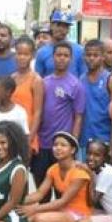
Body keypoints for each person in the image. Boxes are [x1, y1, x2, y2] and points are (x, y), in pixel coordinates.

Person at [20, 132, 91, 222]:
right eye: (55, 145)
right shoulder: (53, 169)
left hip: (79, 215)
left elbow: (62, 201)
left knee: (40, 220)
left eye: (63, 145)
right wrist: (17, 200)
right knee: (29, 218)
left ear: (73, 150)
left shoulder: (79, 172)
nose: (58, 148)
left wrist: (34, 209)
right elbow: (40, 194)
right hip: (62, 212)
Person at [33, 42, 85, 188]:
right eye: (58, 55)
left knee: (63, 190)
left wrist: (72, 143)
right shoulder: (43, 82)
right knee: (42, 187)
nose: (62, 58)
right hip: (43, 144)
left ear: (71, 59)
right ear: (53, 57)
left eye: (66, 55)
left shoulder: (75, 85)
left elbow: (78, 117)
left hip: (63, 146)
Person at [80, 39, 112, 156]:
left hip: (104, 141)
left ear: (103, 57)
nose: (91, 58)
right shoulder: (81, 80)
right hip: (84, 141)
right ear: (84, 57)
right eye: (88, 55)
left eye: (95, 55)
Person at [11, 37, 44, 155]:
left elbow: (38, 112)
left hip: (27, 133)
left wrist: (29, 139)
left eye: (26, 54)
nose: (22, 57)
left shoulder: (36, 80)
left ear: (32, 55)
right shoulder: (12, 78)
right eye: (19, 54)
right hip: (11, 133)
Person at [34, 10, 85, 77]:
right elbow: (38, 79)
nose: (61, 29)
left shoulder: (79, 51)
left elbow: (83, 77)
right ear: (51, 26)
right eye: (58, 25)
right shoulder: (42, 52)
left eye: (65, 26)